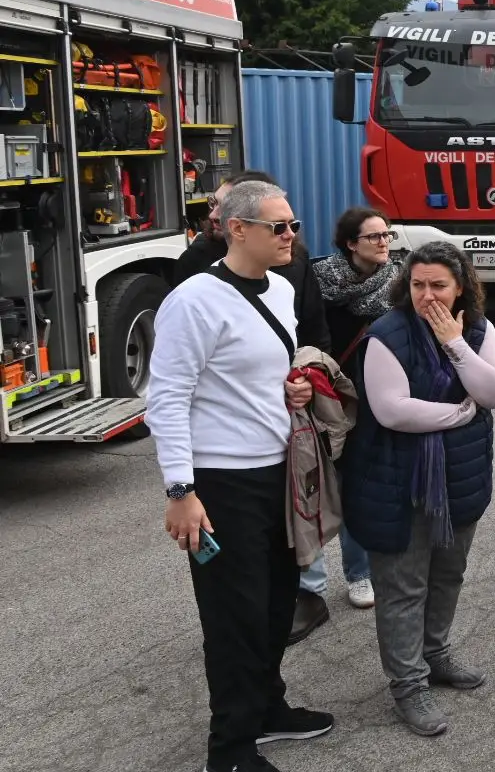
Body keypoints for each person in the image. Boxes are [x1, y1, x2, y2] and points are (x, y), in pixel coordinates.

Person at [147, 180, 333, 772]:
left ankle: (268, 709)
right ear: (237, 229)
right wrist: (181, 491)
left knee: (281, 603)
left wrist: (294, 388)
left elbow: (255, 373)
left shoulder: (280, 289)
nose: (291, 237)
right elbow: (167, 398)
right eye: (278, 227)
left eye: (294, 226)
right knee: (235, 617)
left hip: (278, 473)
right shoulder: (194, 300)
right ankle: (229, 750)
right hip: (222, 484)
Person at [343, 242, 495, 737]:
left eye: (438, 285)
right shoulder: (386, 334)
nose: (427, 294)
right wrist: (458, 413)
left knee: (447, 575)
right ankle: (408, 684)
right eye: (418, 284)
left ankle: (435, 654)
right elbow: (392, 410)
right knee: (402, 587)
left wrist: (456, 344)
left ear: (461, 286)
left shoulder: (478, 328)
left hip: (460, 477)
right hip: (398, 483)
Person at [293, 208, 401, 628]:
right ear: (351, 244)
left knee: (358, 483)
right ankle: (309, 584)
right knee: (316, 486)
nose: (383, 242)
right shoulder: (319, 283)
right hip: (330, 398)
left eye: (386, 234)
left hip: (374, 396)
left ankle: (360, 574)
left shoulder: (398, 282)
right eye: (373, 236)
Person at [173, 170, 330, 354]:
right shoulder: (195, 267)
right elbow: (177, 362)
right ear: (238, 228)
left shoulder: (294, 264)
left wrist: (313, 371)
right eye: (213, 203)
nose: (213, 215)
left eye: (226, 207)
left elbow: (315, 331)